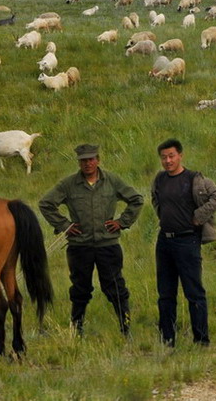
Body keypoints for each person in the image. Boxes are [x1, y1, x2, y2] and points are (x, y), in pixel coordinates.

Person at [39, 143, 144, 336]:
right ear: (79, 162)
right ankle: (76, 329)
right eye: (83, 160)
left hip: (108, 245)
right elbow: (46, 204)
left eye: (91, 159)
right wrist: (65, 225)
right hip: (80, 247)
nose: (88, 164)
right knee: (80, 289)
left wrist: (122, 222)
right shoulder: (69, 184)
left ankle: (125, 328)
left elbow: (136, 199)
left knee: (115, 287)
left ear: (98, 160)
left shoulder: (111, 180)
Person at [152, 138, 216, 348]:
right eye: (164, 157)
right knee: (165, 294)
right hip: (164, 242)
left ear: (180, 155)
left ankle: (201, 340)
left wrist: (199, 216)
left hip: (187, 241)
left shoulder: (194, 179)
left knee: (194, 293)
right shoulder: (159, 179)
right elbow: (155, 200)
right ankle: (167, 340)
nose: (167, 161)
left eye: (171, 156)